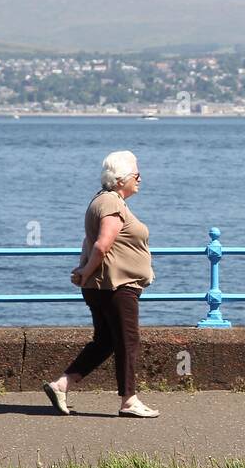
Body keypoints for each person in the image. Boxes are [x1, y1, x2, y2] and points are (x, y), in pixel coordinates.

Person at [43, 150, 159, 417]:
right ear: (120, 180)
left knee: (105, 341)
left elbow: (90, 242)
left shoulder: (104, 201)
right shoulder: (111, 203)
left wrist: (84, 269)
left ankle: (62, 385)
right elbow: (102, 243)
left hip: (103, 285)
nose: (140, 180)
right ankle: (129, 400)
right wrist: (85, 271)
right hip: (116, 286)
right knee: (128, 341)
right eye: (136, 175)